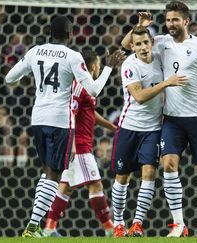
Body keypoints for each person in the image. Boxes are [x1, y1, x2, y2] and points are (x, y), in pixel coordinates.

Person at [4, 15, 125, 238]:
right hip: (60, 120)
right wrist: (108, 67)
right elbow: (94, 89)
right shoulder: (72, 56)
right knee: (55, 175)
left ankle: (39, 225)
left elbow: (10, 78)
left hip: (38, 117)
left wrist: (36, 78)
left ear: (50, 32)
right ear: (70, 34)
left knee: (46, 173)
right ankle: (33, 226)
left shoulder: (34, 51)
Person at [121, 1, 197, 238]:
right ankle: (179, 224)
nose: (170, 24)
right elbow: (125, 45)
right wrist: (140, 26)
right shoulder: (160, 42)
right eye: (167, 19)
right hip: (171, 118)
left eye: (174, 20)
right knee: (168, 165)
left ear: (186, 21)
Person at [112, 26, 188, 238]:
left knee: (149, 174)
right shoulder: (129, 65)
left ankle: (137, 223)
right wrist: (165, 83)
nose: (143, 47)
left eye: (146, 42)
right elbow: (139, 96)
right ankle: (118, 223)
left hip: (153, 128)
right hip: (129, 127)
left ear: (151, 42)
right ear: (133, 47)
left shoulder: (158, 58)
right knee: (122, 177)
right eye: (138, 44)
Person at [42, 49, 117, 237]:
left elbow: (89, 113)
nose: (99, 68)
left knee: (65, 188)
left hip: (76, 144)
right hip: (79, 146)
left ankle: (49, 228)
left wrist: (112, 127)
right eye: (99, 65)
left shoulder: (88, 87)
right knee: (96, 185)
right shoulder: (79, 85)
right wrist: (73, 143)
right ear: (92, 66)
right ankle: (109, 228)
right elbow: (70, 113)